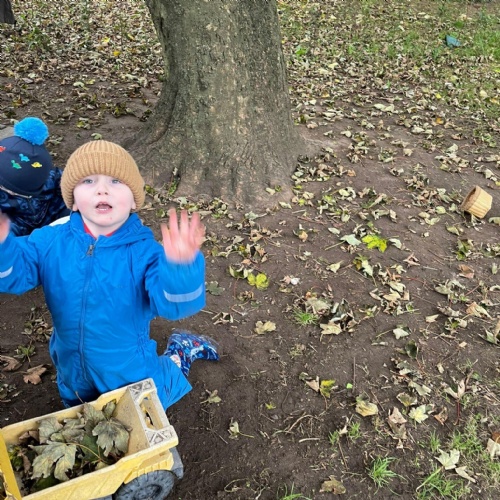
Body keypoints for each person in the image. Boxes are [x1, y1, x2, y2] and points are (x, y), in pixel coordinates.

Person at [0, 140, 219, 410]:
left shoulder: (145, 253)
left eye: (116, 181)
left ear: (134, 200)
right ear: (73, 200)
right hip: (70, 365)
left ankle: (180, 353)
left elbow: (175, 305)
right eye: (88, 181)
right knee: (80, 410)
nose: (102, 189)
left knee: (143, 406)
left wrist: (181, 267)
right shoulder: (48, 241)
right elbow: (13, 275)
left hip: (127, 370)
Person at [0, 117, 70, 236]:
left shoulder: (49, 179)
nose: (6, 191)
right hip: (20, 232)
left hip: (52, 218)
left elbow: (67, 181)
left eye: (11, 190)